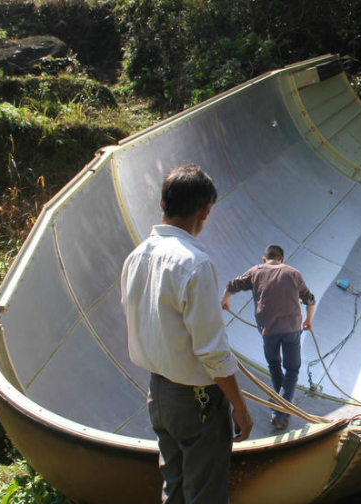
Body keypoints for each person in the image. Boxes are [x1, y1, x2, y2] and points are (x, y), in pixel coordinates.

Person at [121, 164, 253, 504]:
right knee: (205, 495)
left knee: (175, 488)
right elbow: (212, 352)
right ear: (205, 211)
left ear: (163, 204)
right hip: (198, 401)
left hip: (159, 394)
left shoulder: (136, 256)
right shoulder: (195, 263)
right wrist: (239, 405)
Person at [221, 244, 315, 430]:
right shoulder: (293, 273)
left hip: (268, 330)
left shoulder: (256, 271)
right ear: (282, 260)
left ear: (264, 259)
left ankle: (280, 403)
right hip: (291, 328)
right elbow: (309, 299)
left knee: (274, 364)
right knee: (292, 369)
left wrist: (225, 299)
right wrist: (308, 319)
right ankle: (280, 412)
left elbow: (233, 284)